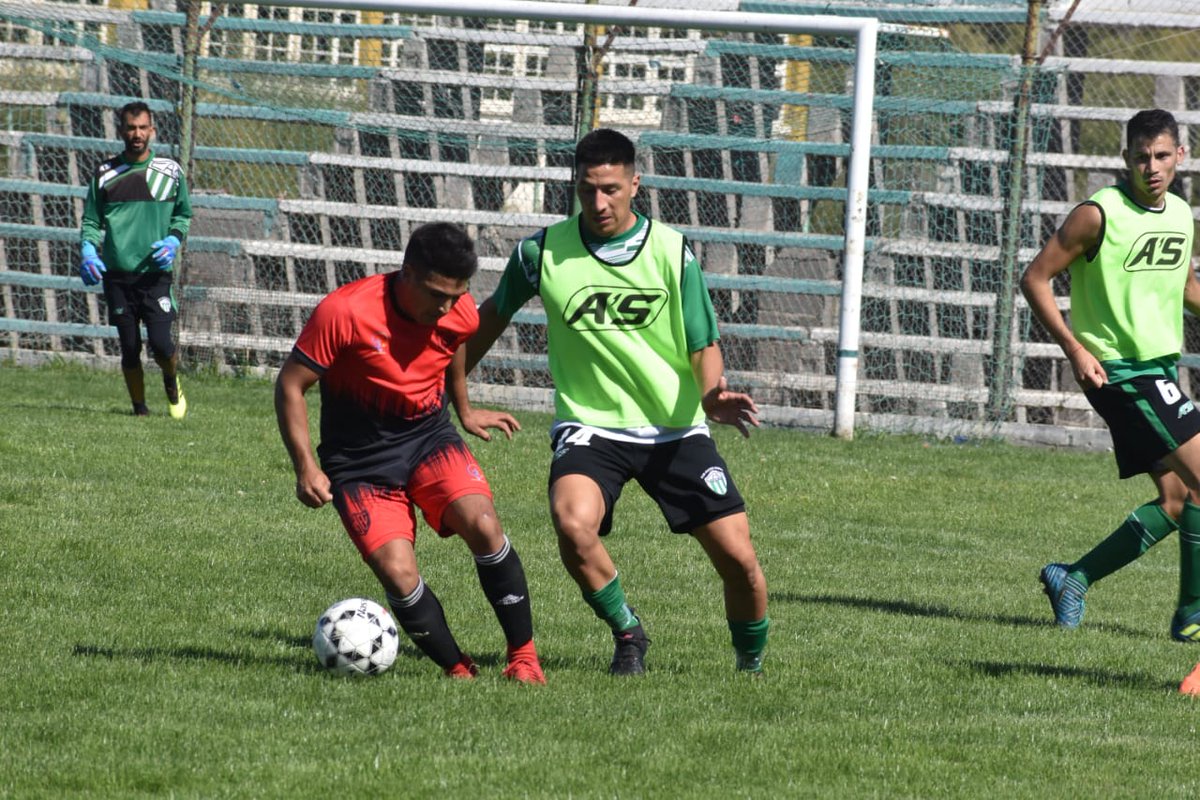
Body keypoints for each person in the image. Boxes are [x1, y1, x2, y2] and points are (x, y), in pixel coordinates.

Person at [465, 128, 769, 676]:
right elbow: (489, 319)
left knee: (740, 562)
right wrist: (452, 392)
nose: (599, 203)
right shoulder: (540, 252)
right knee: (571, 521)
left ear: (635, 183)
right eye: (587, 191)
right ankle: (628, 632)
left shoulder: (672, 252)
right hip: (591, 427)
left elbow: (703, 344)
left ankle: (751, 666)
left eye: (610, 189)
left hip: (674, 429)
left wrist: (711, 394)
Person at [275, 222, 545, 684]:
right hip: (358, 461)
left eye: (456, 294)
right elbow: (291, 384)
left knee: (484, 524)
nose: (447, 307)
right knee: (398, 573)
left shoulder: (457, 310)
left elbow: (454, 344)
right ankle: (458, 669)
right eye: (438, 294)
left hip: (428, 439)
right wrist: (305, 467)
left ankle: (523, 657)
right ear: (408, 273)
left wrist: (464, 409)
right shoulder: (345, 312)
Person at [1021, 109, 1200, 654]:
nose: (1152, 167)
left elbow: (1184, 285)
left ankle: (1073, 578)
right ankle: (1192, 615)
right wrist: (1074, 348)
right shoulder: (1098, 215)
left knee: (1177, 499)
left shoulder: (1182, 214)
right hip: (1120, 371)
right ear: (1126, 159)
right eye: (1142, 157)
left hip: (1158, 369)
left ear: (1180, 157)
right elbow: (1034, 278)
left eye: (1162, 156)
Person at [79, 100, 192, 418]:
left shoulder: (169, 172)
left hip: (155, 277)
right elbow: (91, 221)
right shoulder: (104, 174)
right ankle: (139, 408)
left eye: (143, 127)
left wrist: (173, 239)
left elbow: (183, 214)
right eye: (131, 127)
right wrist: (88, 250)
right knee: (129, 348)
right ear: (121, 130)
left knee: (162, 345)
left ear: (152, 130)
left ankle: (171, 381)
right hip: (118, 275)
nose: (137, 133)